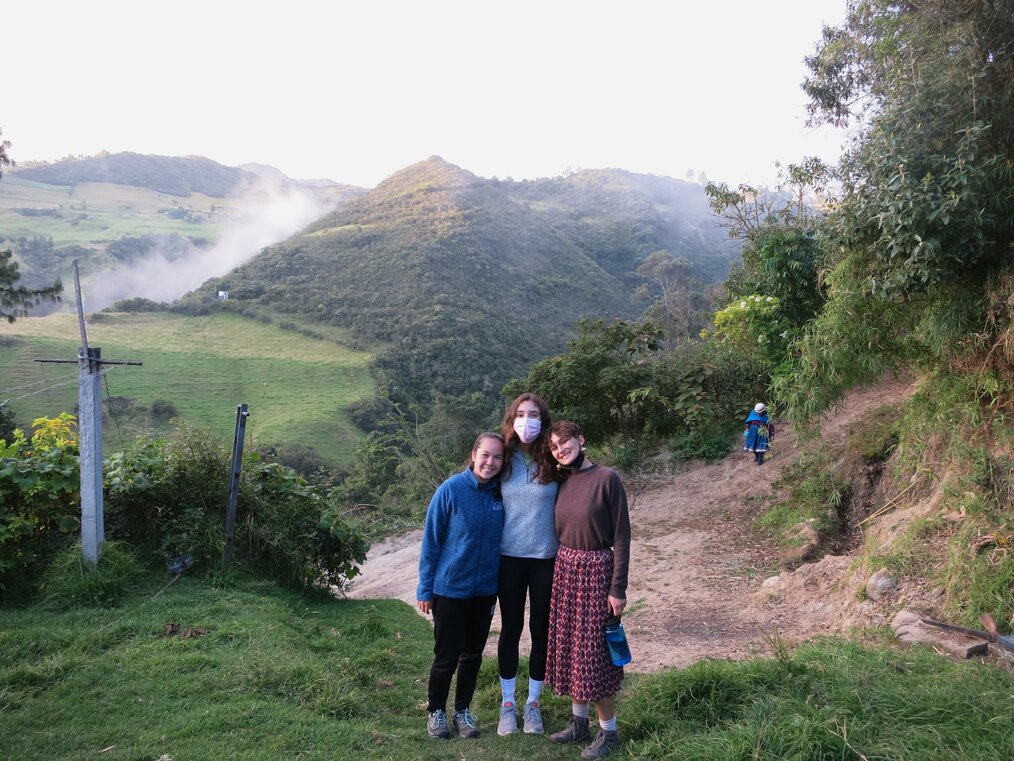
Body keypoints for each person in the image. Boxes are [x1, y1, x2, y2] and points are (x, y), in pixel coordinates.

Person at [545, 420, 631, 760]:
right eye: (553, 446)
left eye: (564, 442)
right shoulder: (562, 480)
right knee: (572, 650)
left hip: (597, 571)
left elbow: (622, 536)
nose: (560, 449)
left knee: (592, 655)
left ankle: (609, 733)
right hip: (565, 569)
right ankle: (579, 723)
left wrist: (618, 588)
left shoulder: (607, 479)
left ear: (581, 440)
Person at [417, 432, 506, 740]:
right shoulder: (451, 490)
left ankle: (462, 712)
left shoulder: (501, 494)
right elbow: (432, 542)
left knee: (472, 654)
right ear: (473, 454)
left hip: (484, 592)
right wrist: (424, 589)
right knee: (447, 655)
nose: (490, 462)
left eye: (497, 457)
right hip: (449, 589)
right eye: (485, 455)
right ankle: (436, 711)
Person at [495, 392, 560, 735]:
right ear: (512, 418)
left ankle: (533, 703)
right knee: (510, 630)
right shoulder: (503, 457)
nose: (527, 420)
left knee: (540, 631)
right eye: (521, 413)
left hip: (545, 559)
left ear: (543, 420)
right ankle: (508, 704)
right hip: (509, 559)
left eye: (533, 414)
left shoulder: (553, 458)